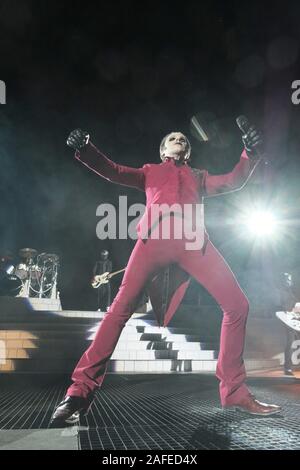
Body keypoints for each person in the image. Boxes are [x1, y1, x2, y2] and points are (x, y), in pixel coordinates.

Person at [50, 125, 280, 426]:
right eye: (172, 139)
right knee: (118, 311)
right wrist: (87, 148)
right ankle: (78, 393)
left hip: (193, 243)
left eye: (183, 139)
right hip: (153, 242)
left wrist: (248, 153)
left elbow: (232, 181)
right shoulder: (149, 172)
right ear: (162, 151)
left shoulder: (198, 176)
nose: (179, 140)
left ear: (189, 151)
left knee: (238, 306)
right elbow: (114, 171)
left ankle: (234, 391)